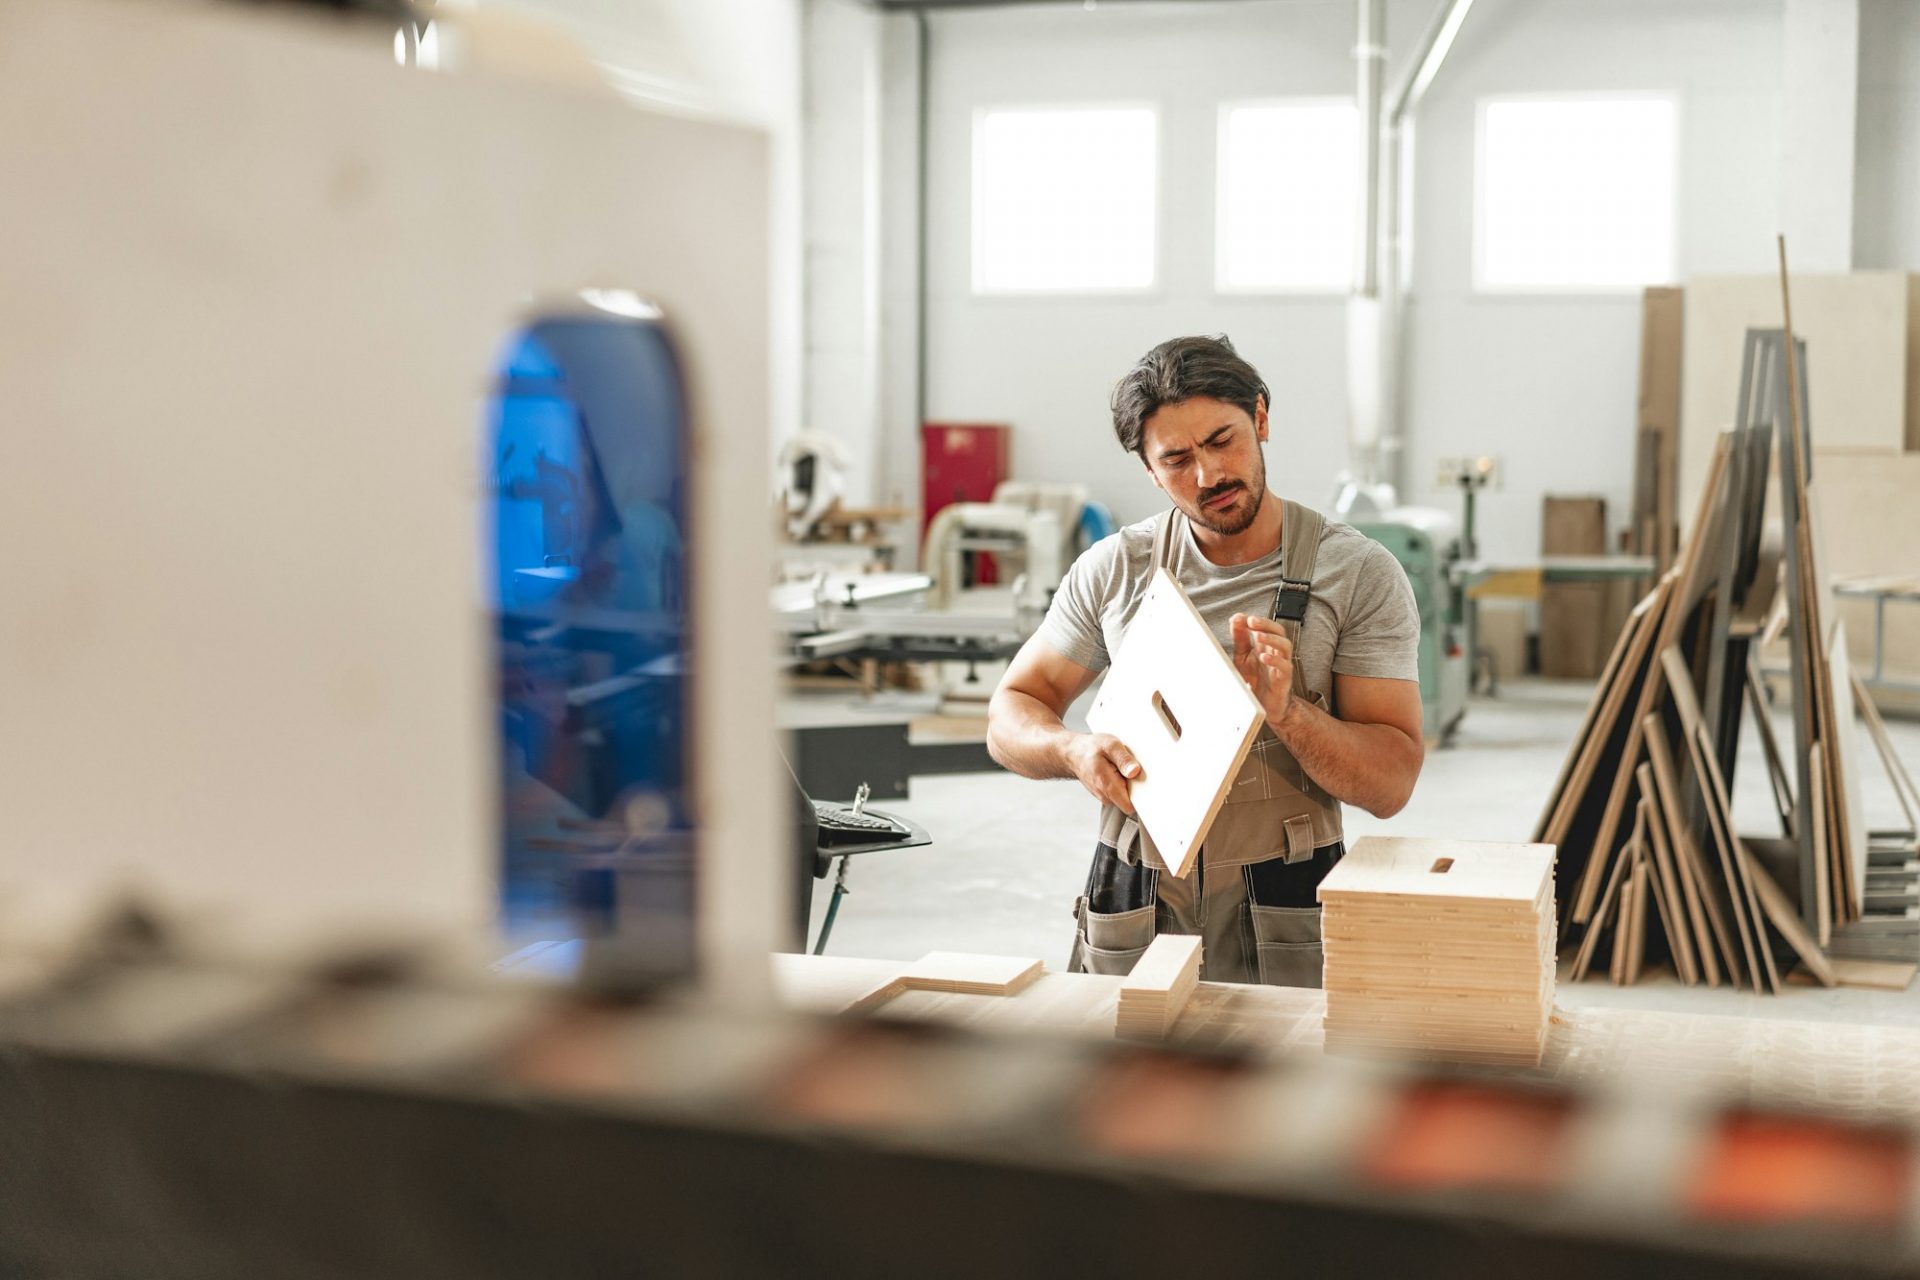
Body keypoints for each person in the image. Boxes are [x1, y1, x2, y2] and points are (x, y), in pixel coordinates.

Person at [986, 335, 1424, 986]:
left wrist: (1288, 715)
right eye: (1178, 459)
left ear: (1262, 418)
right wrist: (1071, 751)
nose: (1209, 476)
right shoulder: (1115, 569)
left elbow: (1391, 786)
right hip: (1134, 888)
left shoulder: (1355, 573)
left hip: (1288, 892)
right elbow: (1011, 714)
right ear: (1149, 471)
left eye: (1223, 441)